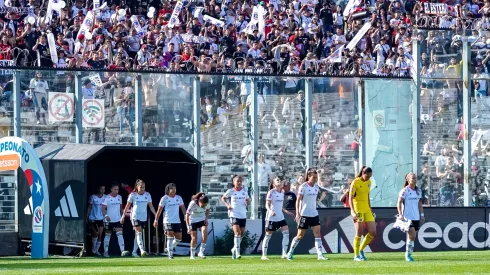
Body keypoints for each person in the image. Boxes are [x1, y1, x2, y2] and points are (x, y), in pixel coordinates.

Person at [286, 169, 328, 261]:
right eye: (313, 177)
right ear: (308, 176)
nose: (315, 179)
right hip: (304, 214)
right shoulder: (303, 187)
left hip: (314, 214)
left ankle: (320, 255)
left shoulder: (316, 187)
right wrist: (298, 213)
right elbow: (298, 200)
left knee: (317, 233)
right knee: (300, 235)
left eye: (316, 177)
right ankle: (290, 253)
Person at [121, 179, 156, 257]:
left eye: (144, 187)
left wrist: (156, 215)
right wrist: (123, 216)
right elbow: (127, 206)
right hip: (135, 216)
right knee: (139, 232)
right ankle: (142, 250)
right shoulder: (133, 195)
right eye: (141, 187)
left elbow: (151, 206)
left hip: (143, 217)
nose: (142, 189)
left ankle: (134, 252)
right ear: (137, 187)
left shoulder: (147, 195)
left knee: (137, 234)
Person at [262, 177, 294, 260]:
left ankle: (284, 253)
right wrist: (270, 211)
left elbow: (280, 206)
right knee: (268, 236)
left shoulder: (282, 192)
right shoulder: (271, 192)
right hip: (271, 218)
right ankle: (264, 255)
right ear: (273, 184)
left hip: (281, 217)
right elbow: (267, 204)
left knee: (286, 234)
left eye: (280, 180)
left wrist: (286, 212)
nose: (279, 181)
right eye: (277, 180)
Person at [349, 166, 376, 261]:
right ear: (363, 174)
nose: (368, 178)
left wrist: (371, 210)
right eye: (367, 176)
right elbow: (350, 198)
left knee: (373, 232)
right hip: (358, 210)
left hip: (367, 209)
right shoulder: (355, 182)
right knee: (359, 232)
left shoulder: (369, 182)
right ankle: (356, 255)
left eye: (370, 176)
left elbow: (368, 197)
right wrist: (352, 211)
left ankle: (360, 250)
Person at [154, 183, 186, 260]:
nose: (173, 190)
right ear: (168, 190)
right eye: (172, 188)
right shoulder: (164, 198)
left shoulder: (179, 198)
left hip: (177, 221)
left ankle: (169, 248)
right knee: (170, 236)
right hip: (167, 220)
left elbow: (183, 208)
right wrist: (156, 220)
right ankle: (170, 254)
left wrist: (186, 215)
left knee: (178, 238)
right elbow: (159, 210)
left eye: (174, 188)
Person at [397, 172, 425, 262]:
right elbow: (399, 203)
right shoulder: (405, 191)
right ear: (408, 180)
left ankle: (409, 253)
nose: (414, 179)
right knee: (412, 235)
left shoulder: (418, 191)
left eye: (415, 178)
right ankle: (408, 255)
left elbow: (420, 204)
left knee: (413, 237)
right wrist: (400, 214)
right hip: (407, 217)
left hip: (416, 216)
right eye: (412, 178)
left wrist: (422, 215)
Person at [221, 175, 249, 260]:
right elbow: (223, 198)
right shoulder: (231, 191)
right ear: (233, 182)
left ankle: (233, 249)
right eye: (237, 181)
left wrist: (248, 202)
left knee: (242, 233)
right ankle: (237, 253)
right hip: (234, 214)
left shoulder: (244, 191)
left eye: (240, 181)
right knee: (237, 233)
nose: (239, 183)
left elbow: (248, 200)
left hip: (243, 215)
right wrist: (228, 205)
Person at [101, 183, 130, 257]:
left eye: (117, 189)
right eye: (115, 189)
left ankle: (122, 251)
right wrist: (106, 215)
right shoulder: (107, 198)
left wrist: (122, 216)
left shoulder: (119, 197)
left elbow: (120, 209)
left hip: (117, 219)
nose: (116, 191)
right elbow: (103, 209)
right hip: (108, 220)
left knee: (120, 235)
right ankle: (105, 252)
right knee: (107, 236)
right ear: (111, 189)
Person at [185, 192, 211, 259]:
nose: (204, 207)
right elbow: (187, 215)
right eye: (203, 205)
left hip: (202, 219)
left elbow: (208, 210)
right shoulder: (193, 203)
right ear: (199, 201)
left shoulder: (206, 204)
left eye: (205, 205)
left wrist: (206, 218)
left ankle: (201, 252)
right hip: (193, 220)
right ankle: (192, 255)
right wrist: (188, 227)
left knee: (205, 233)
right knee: (194, 238)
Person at [87, 185, 106, 256]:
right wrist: (87, 217)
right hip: (93, 218)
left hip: (101, 218)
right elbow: (89, 207)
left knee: (100, 235)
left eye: (104, 189)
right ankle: (93, 249)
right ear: (98, 189)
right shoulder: (93, 197)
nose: (102, 191)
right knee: (96, 233)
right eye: (101, 189)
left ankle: (96, 250)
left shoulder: (105, 197)